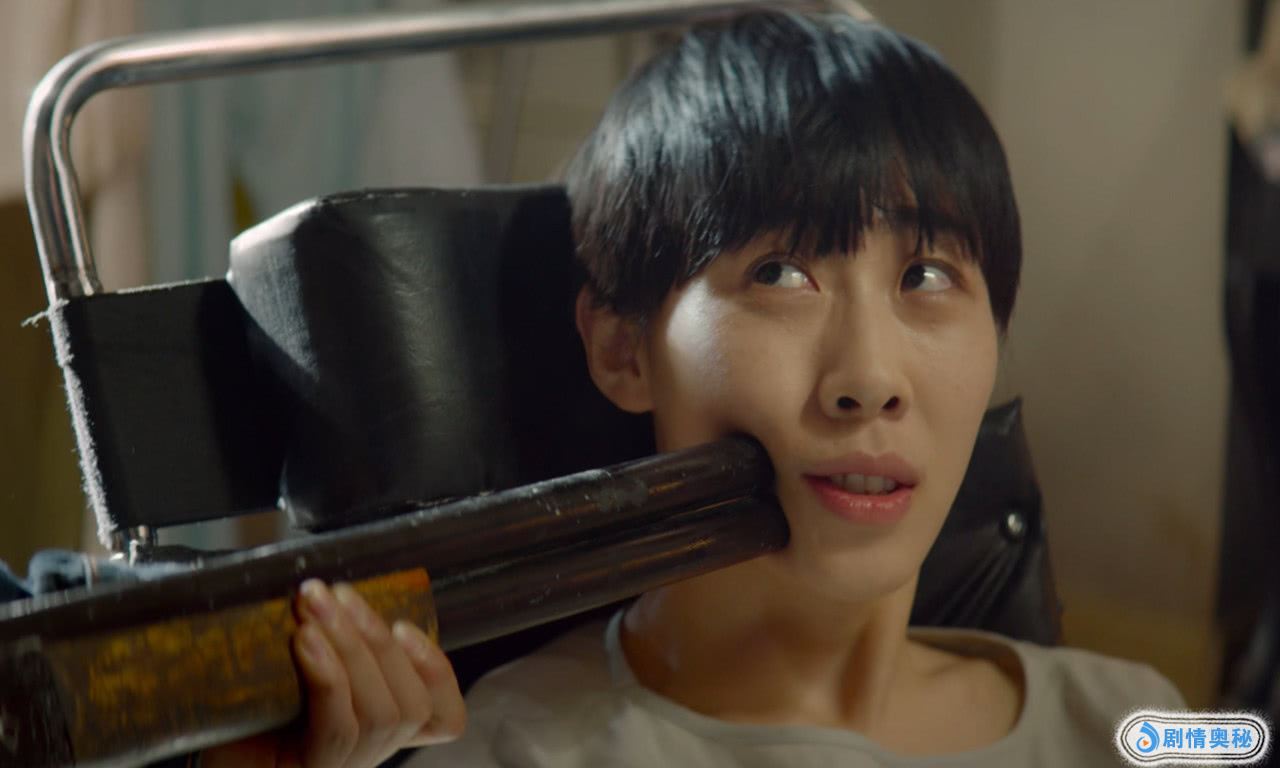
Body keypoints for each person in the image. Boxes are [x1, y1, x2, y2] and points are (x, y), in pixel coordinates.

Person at [203, 9, 1186, 767]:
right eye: (780, 275)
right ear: (624, 349)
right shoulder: (514, 749)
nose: (868, 381)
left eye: (926, 277)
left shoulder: (1137, 722)